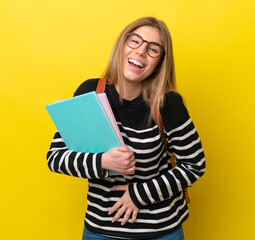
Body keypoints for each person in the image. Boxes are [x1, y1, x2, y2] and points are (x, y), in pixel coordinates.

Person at [47, 16, 206, 240]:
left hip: (161, 232)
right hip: (100, 231)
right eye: (135, 41)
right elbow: (56, 157)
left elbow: (194, 165)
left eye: (153, 49)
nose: (141, 51)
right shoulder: (90, 92)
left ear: (160, 62)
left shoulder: (168, 103)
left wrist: (138, 194)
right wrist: (104, 162)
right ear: (122, 45)